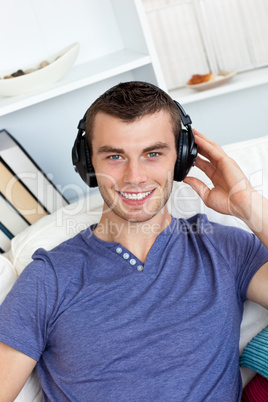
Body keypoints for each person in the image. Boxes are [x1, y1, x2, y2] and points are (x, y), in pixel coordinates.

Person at [0, 81, 267, 402]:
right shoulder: (49, 279)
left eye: (153, 153)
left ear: (181, 158)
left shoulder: (223, 248)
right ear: (88, 164)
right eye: (115, 156)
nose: (135, 176)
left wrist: (250, 206)